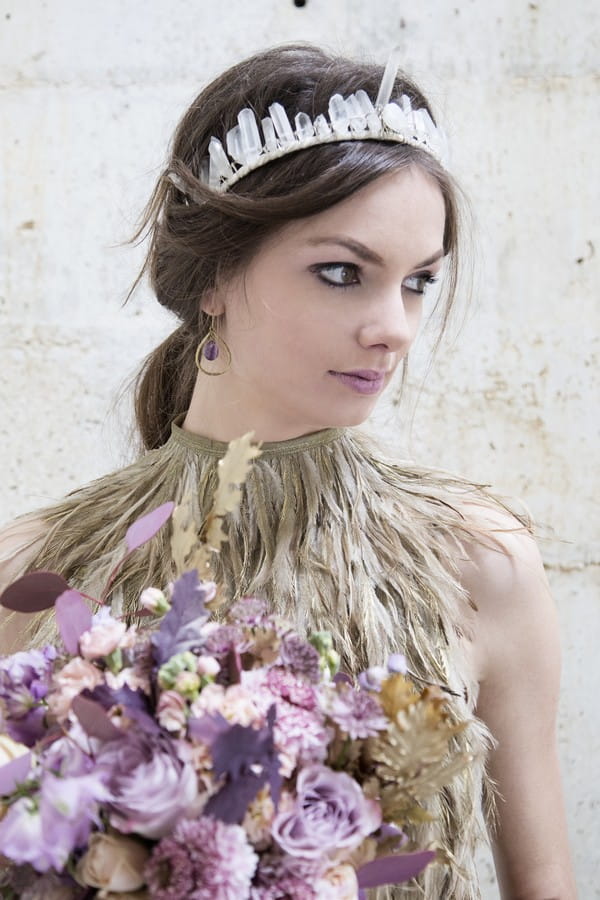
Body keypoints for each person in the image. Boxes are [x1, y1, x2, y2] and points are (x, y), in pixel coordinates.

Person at [0, 44, 575, 899]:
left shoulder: (478, 562)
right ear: (214, 278)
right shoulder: (39, 569)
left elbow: (545, 885)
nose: (395, 326)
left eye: (419, 282)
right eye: (342, 273)